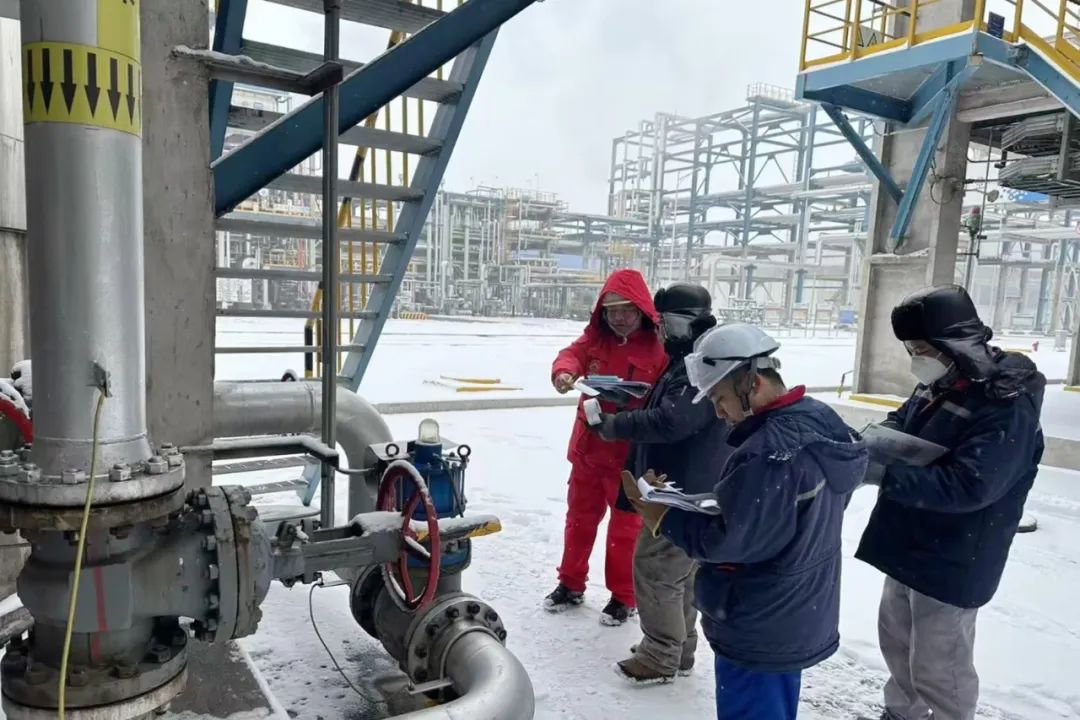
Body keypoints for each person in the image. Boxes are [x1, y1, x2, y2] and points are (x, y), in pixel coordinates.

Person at [621, 323, 867, 719]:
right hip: (795, 607)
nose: (718, 412)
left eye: (719, 398)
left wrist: (665, 517)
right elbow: (781, 517)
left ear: (752, 382)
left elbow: (729, 541)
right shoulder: (818, 420)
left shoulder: (768, 453)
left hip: (759, 619)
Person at [856, 285, 1045, 720]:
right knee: (898, 643)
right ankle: (901, 714)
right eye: (911, 349)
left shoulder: (1006, 403)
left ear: (955, 345)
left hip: (955, 554)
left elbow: (971, 485)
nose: (915, 358)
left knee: (940, 666)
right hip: (910, 539)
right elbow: (904, 420)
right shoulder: (944, 380)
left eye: (922, 349)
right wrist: (874, 441)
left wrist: (884, 473)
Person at [588, 283, 732, 684]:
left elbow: (674, 420)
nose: (662, 332)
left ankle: (660, 655)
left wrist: (616, 424)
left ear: (690, 321)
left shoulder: (699, 363)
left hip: (682, 485)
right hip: (687, 482)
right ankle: (679, 649)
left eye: (666, 323)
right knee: (680, 574)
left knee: (656, 569)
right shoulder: (691, 357)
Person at [546, 268, 667, 625]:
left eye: (627, 310)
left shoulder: (660, 349)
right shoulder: (595, 340)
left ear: (642, 309)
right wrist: (563, 373)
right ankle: (570, 583)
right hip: (588, 452)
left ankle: (623, 597)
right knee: (578, 521)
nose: (619, 318)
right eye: (612, 310)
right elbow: (570, 355)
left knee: (625, 530)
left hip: (629, 458)